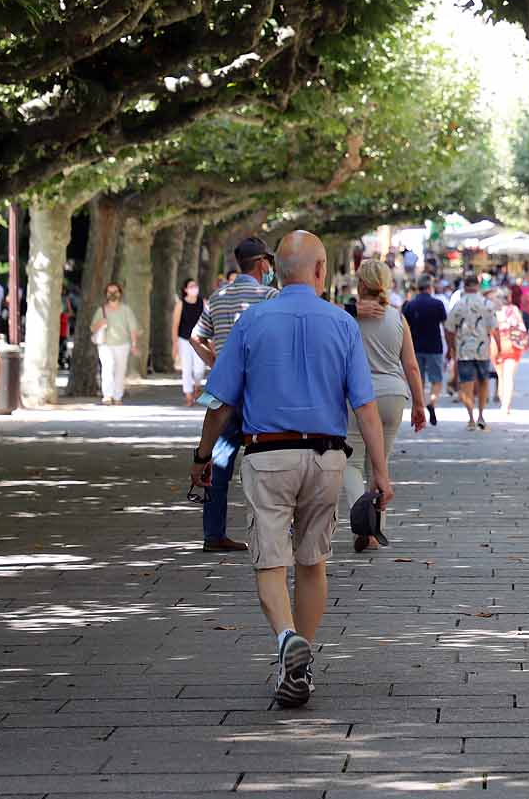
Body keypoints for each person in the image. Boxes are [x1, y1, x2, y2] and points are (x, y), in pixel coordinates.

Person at [189, 231, 392, 709]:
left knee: (271, 561)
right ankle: (303, 656)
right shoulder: (342, 324)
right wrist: (380, 473)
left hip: (267, 455)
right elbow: (364, 407)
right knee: (313, 562)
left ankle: (285, 642)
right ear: (322, 271)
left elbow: (219, 400)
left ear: (276, 270)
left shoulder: (251, 319)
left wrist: (204, 456)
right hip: (327, 458)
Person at [189, 236, 278, 552]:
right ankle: (275, 531)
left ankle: (214, 534)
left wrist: (215, 361)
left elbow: (195, 337)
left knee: (219, 459)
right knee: (270, 460)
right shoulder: (270, 296)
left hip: (223, 389)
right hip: (260, 389)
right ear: (262, 264)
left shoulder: (217, 296)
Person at [341, 260, 426, 550]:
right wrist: (419, 404)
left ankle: (362, 521)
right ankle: (377, 530)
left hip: (358, 398)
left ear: (360, 284)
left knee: (350, 464)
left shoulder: (347, 318)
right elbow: (411, 366)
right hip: (393, 396)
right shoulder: (397, 318)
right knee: (379, 464)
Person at [444, 273, 497, 430]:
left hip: (464, 349)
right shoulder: (487, 303)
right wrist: (498, 348)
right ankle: (481, 414)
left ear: (465, 287)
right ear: (478, 286)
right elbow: (494, 328)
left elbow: (449, 329)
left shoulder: (458, 304)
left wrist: (452, 347)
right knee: (483, 382)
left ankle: (471, 419)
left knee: (466, 384)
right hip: (483, 350)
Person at [402, 275, 448, 425]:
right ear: (430, 288)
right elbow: (445, 325)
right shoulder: (437, 304)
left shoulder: (410, 305)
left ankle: (419, 404)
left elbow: (404, 327)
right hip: (434, 346)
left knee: (418, 378)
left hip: (416, 346)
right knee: (437, 380)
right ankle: (432, 401)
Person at [88, 282, 141, 406]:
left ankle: (117, 396)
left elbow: (133, 328)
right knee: (107, 367)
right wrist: (100, 323)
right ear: (106, 294)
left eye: (115, 291)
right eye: (109, 292)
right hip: (105, 344)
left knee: (120, 370)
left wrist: (134, 345)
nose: (112, 294)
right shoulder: (101, 310)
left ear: (120, 294)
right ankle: (107, 395)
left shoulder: (126, 310)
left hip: (123, 344)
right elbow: (92, 328)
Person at [489, 288, 528, 416]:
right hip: (511, 345)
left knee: (500, 376)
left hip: (496, 344)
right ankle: (506, 406)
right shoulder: (514, 310)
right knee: (509, 376)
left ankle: (502, 403)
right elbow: (521, 327)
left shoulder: (494, 311)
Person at [171, 278, 206, 406]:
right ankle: (188, 395)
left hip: (199, 340)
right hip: (184, 340)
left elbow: (209, 322)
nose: (194, 288)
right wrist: (174, 344)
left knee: (199, 368)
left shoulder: (203, 303)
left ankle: (197, 386)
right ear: (185, 290)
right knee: (186, 368)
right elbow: (175, 325)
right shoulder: (180, 304)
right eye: (191, 286)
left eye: (195, 286)